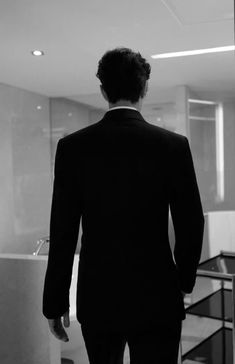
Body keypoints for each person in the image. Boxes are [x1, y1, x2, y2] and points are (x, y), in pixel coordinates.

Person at [43, 47, 204, 364]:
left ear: (103, 90)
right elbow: (191, 223)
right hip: (158, 294)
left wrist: (55, 300)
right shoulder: (173, 146)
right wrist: (182, 283)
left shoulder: (72, 148)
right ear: (144, 88)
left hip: (98, 295)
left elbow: (62, 230)